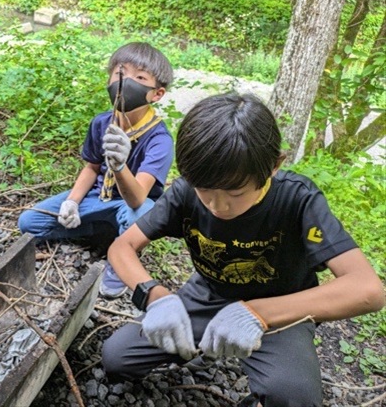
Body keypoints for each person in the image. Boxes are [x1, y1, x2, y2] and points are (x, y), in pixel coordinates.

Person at [101, 92, 385, 406]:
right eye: (204, 190)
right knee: (117, 357)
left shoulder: (297, 200)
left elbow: (368, 290)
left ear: (274, 166)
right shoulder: (185, 192)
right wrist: (156, 297)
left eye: (236, 192)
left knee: (294, 396)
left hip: (281, 309)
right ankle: (200, 341)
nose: (217, 205)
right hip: (208, 295)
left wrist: (258, 313)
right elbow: (122, 247)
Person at [18, 42, 175, 297]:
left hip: (131, 205)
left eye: (140, 78)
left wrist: (120, 165)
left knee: (143, 215)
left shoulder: (160, 139)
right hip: (98, 196)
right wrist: (72, 201)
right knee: (29, 222)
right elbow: (91, 167)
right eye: (120, 74)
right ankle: (101, 230)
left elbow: (137, 198)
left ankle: (122, 259)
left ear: (156, 93)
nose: (126, 83)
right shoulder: (102, 122)